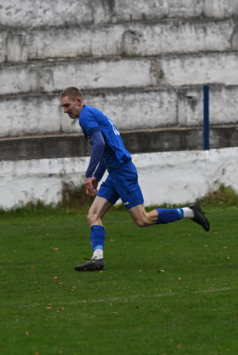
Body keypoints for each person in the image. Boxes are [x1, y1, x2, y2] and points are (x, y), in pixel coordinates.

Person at [60, 86, 209, 271]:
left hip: (122, 172)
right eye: (63, 107)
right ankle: (97, 259)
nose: (65, 110)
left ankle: (190, 212)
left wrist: (89, 174)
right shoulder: (92, 114)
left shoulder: (86, 117)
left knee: (143, 220)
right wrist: (97, 177)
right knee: (93, 215)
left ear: (79, 102)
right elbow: (107, 149)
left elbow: (99, 143)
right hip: (115, 172)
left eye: (67, 105)